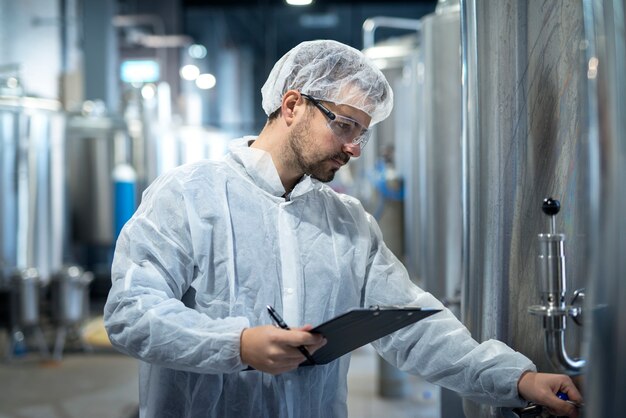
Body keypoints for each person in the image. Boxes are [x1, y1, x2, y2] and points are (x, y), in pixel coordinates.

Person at [104, 39, 583, 418]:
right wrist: (238, 345)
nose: (356, 148)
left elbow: (411, 325)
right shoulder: (189, 194)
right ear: (292, 106)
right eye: (346, 126)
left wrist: (515, 380)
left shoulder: (347, 221)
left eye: (363, 133)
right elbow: (132, 312)